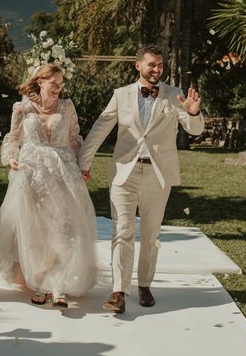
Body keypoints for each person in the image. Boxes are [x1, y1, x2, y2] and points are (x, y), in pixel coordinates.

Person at [78, 44, 204, 314]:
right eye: (152, 65)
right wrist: (83, 163)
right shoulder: (121, 95)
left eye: (160, 65)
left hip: (158, 175)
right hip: (125, 173)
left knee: (151, 235)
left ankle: (145, 284)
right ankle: (119, 291)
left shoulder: (174, 95)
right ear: (138, 65)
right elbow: (100, 128)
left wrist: (193, 113)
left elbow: (194, 130)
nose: (157, 70)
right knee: (122, 231)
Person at [0, 63, 98, 308]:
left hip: (63, 171)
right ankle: (39, 282)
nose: (59, 88)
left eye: (61, 84)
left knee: (63, 225)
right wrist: (11, 157)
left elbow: (74, 139)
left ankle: (58, 285)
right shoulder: (22, 108)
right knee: (36, 228)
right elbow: (12, 137)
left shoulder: (67, 107)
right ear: (40, 82)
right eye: (54, 83)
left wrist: (84, 166)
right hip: (31, 172)